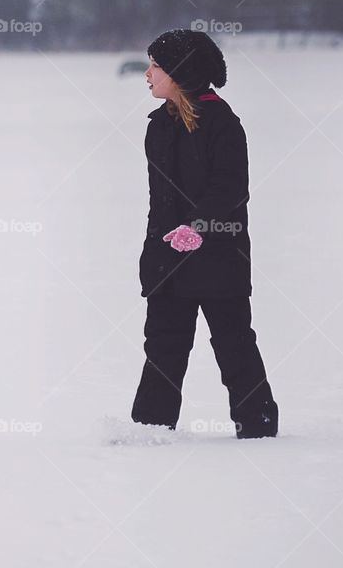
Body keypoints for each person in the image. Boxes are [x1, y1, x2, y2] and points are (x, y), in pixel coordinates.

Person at [133, 29, 279, 439]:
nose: (147, 74)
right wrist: (153, 254)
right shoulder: (158, 127)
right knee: (162, 346)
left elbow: (231, 188)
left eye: (156, 66)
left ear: (180, 72)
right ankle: (151, 428)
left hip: (219, 259)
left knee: (234, 345)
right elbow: (158, 201)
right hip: (169, 261)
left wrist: (197, 230)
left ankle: (258, 427)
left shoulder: (221, 123)